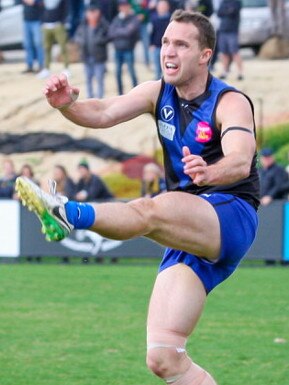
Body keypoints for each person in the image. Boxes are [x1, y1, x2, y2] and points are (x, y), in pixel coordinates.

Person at [16, 10, 260, 385]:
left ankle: (67, 213)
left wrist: (210, 173)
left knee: (149, 210)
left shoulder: (229, 101)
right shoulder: (156, 92)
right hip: (187, 223)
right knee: (164, 357)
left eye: (181, 44)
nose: (169, 52)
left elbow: (241, 160)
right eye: (165, 42)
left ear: (205, 55)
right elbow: (103, 112)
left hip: (230, 214)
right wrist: (67, 105)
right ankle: (67, 213)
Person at [74, 4, 109, 98]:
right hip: (87, 57)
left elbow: (109, 36)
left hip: (99, 57)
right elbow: (76, 36)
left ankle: (100, 99)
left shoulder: (103, 24)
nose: (92, 15)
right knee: (88, 79)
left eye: (94, 13)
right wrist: (81, 41)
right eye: (90, 13)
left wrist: (99, 40)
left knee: (99, 79)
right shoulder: (83, 25)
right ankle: (89, 97)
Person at [108, 0, 140, 95]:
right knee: (117, 72)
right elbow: (110, 33)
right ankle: (120, 93)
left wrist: (118, 31)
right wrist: (123, 30)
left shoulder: (133, 18)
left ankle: (136, 92)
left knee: (131, 71)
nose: (124, 8)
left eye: (125, 6)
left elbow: (129, 32)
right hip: (118, 50)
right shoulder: (116, 19)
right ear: (119, 8)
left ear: (129, 7)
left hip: (128, 49)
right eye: (122, 6)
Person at [37, 0, 70, 79]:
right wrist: (42, 22)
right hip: (46, 25)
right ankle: (46, 69)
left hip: (58, 25)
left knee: (63, 47)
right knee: (46, 48)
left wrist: (62, 22)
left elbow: (66, 8)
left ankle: (66, 68)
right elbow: (39, 8)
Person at [217, 0, 243, 81]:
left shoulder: (236, 2)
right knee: (224, 53)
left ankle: (240, 73)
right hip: (222, 30)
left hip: (232, 30)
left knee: (235, 52)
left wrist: (226, 11)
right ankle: (225, 71)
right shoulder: (223, 2)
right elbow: (219, 13)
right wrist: (227, 11)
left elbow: (232, 12)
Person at [150, 0, 171, 79]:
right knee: (157, 70)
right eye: (160, 6)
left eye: (163, 6)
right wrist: (151, 44)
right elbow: (152, 32)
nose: (162, 8)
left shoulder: (171, 20)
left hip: (167, 48)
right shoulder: (154, 19)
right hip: (156, 46)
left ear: (167, 7)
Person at [21, 0, 44, 74]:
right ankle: (30, 66)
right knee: (27, 44)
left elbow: (43, 3)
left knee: (38, 43)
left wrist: (34, 2)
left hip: (37, 20)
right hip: (26, 20)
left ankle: (41, 66)